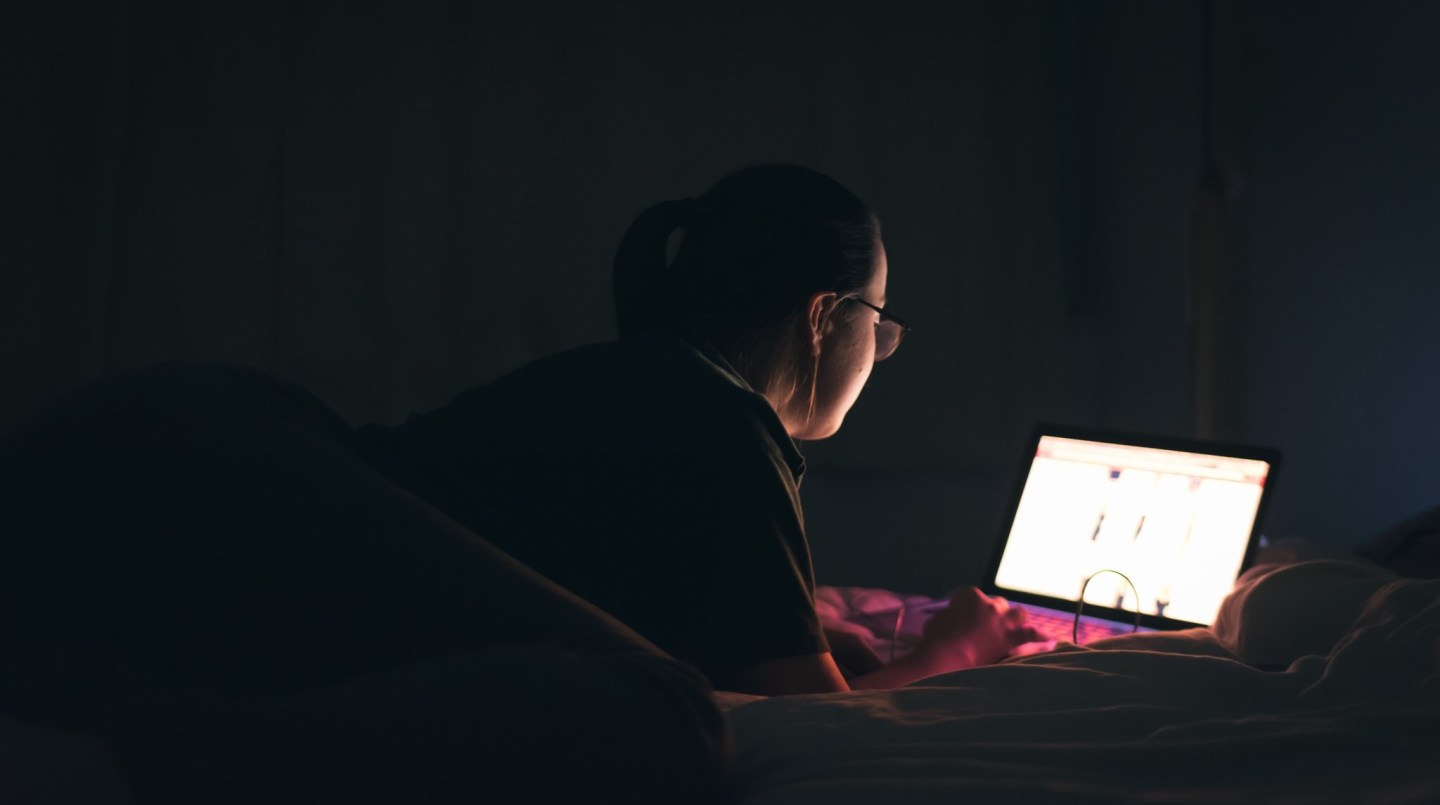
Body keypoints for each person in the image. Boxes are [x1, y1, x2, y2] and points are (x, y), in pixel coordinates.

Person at [359, 164, 1041, 695]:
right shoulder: (723, 423)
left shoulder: (651, 382)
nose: (879, 344)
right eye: (878, 317)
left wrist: (781, 631)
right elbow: (817, 712)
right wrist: (960, 646)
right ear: (823, 315)